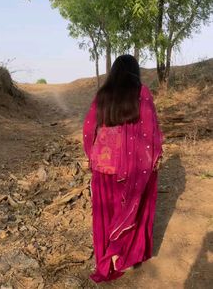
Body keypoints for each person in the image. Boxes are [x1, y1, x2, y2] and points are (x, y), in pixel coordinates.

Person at [83, 54, 163, 283]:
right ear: (134, 72)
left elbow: (89, 129)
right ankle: (125, 256)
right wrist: (153, 156)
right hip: (134, 168)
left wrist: (93, 155)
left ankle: (109, 255)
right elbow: (150, 130)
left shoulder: (103, 95)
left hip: (104, 167)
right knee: (133, 207)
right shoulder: (142, 93)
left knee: (105, 212)